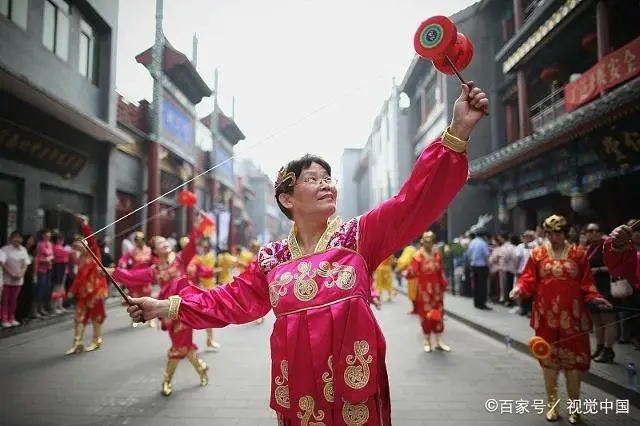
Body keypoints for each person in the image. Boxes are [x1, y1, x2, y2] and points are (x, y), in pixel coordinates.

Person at [124, 82, 487, 424]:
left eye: (328, 178)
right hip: (299, 397)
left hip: (353, 393)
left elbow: (412, 201)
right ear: (286, 198)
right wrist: (164, 305)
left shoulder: (359, 237)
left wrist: (457, 131)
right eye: (312, 179)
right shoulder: (272, 259)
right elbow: (228, 301)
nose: (326, 183)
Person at [510, 215, 611, 424]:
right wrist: (519, 288)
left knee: (573, 362)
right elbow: (529, 278)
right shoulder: (537, 254)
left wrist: (596, 298)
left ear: (565, 233)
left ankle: (574, 410)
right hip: (546, 316)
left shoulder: (579, 254)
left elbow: (587, 284)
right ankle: (552, 407)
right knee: (548, 360)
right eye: (549, 233)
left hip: (573, 316)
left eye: (557, 233)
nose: (553, 237)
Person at [113, 225, 213, 397]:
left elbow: (192, 245)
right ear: (154, 251)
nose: (165, 243)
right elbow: (131, 276)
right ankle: (201, 368)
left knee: (178, 346)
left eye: (165, 241)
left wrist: (199, 227)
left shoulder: (181, 260)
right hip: (168, 313)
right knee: (185, 346)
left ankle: (167, 380)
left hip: (185, 310)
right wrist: (111, 272)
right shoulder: (155, 271)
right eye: (160, 243)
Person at [65, 216, 109, 355]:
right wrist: (72, 290)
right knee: (79, 317)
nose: (78, 248)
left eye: (79, 245)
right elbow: (79, 277)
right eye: (75, 246)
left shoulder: (94, 253)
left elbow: (91, 239)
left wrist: (85, 225)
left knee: (96, 316)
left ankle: (97, 340)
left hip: (95, 292)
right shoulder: (81, 259)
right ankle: (77, 342)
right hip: (83, 294)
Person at [405, 231, 449, 353]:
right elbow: (412, 272)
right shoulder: (417, 256)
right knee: (426, 316)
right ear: (422, 241)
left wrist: (444, 284)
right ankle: (427, 341)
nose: (428, 242)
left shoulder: (437, 255)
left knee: (438, 315)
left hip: (437, 291)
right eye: (426, 240)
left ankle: (439, 341)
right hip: (424, 291)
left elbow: (440, 272)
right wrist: (408, 271)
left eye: (430, 240)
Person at [584, 223, 617, 363]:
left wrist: (598, 270)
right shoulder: (589, 248)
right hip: (592, 289)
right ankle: (600, 347)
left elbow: (615, 266)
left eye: (597, 230)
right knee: (597, 321)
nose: (594, 233)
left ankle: (609, 350)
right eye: (590, 230)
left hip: (606, 288)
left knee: (608, 320)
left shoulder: (607, 246)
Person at [188, 238, 220, 349]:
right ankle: (187, 342)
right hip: (192, 291)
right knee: (189, 318)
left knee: (209, 314)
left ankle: (209, 340)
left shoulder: (200, 258)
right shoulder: (194, 259)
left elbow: (205, 271)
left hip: (207, 288)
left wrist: (212, 272)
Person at [117, 232, 154, 327]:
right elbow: (123, 259)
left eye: (141, 240)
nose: (139, 242)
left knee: (148, 298)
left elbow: (155, 260)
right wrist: (122, 265)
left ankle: (151, 319)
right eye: (137, 240)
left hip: (145, 278)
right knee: (134, 300)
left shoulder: (149, 250)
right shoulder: (132, 251)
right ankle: (135, 319)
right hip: (134, 277)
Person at [1, 231, 31, 327]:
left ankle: (12, 317)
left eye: (19, 237)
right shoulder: (5, 249)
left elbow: (26, 263)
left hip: (18, 280)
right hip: (7, 279)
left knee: (14, 300)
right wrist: (11, 273)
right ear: (11, 238)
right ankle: (4, 319)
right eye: (15, 237)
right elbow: (2, 263)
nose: (17, 239)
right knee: (5, 300)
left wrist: (21, 273)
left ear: (22, 239)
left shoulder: (23, 250)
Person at [467, 229, 491, 310]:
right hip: (482, 266)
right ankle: (482, 303)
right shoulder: (483, 243)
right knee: (482, 285)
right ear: (483, 236)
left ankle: (476, 302)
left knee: (476, 284)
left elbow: (469, 255)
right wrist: (489, 266)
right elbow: (486, 256)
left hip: (474, 266)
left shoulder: (472, 242)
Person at [395, 242, 418, 314]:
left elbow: (404, 261)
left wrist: (398, 268)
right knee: (416, 292)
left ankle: (416, 309)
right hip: (416, 273)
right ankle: (417, 309)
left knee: (413, 292)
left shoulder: (408, 249)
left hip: (412, 274)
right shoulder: (414, 249)